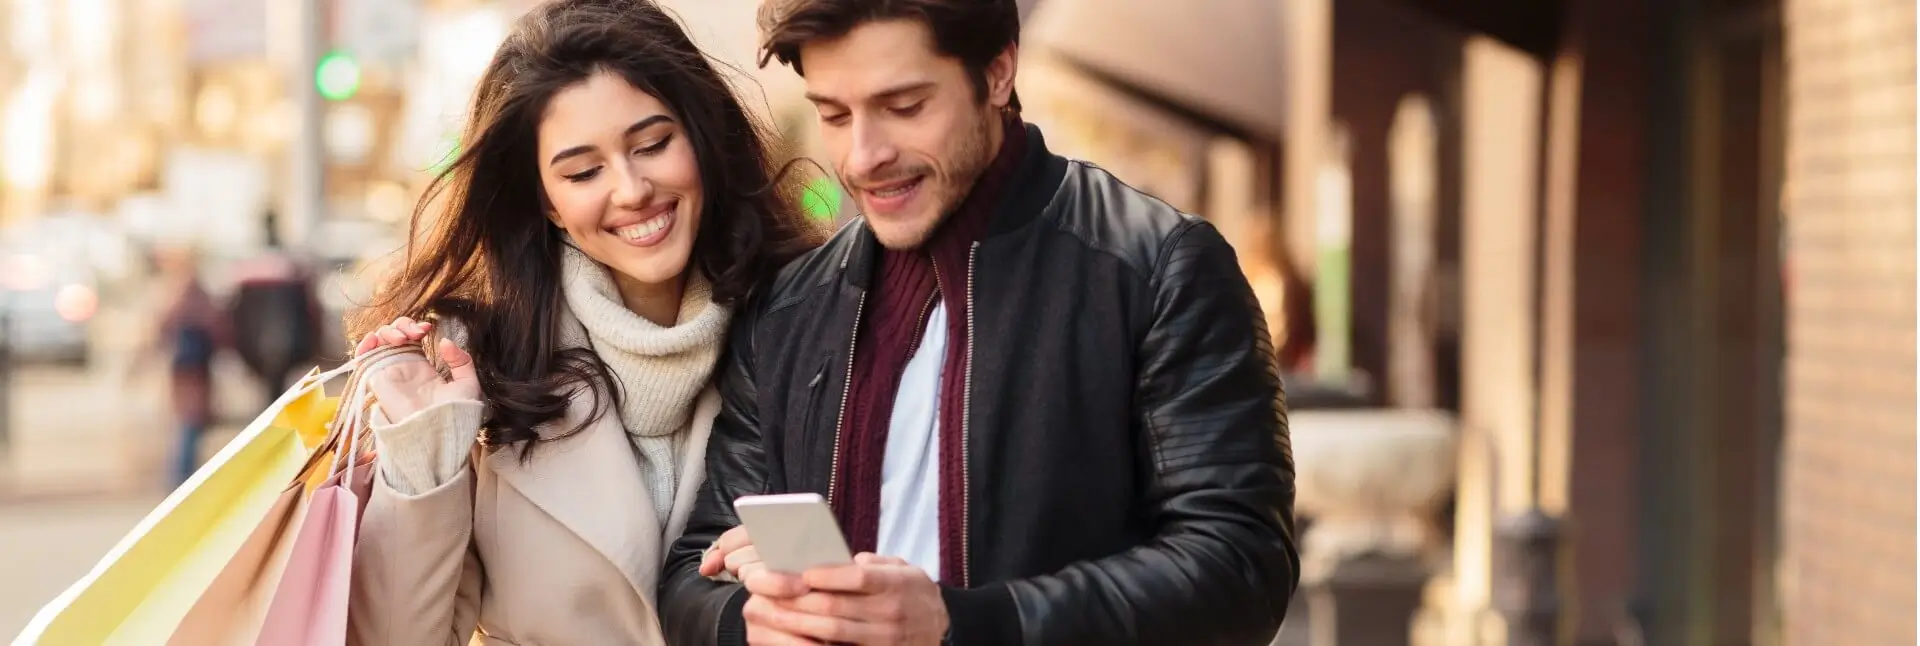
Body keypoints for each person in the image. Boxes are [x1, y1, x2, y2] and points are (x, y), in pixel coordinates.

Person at [659, 1, 1300, 644]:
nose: (863, 156)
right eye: (834, 114)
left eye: (904, 107)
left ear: (997, 73)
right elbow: (694, 570)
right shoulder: (789, 307)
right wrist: (753, 625)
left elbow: (1239, 565)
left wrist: (961, 624)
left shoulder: (1158, 268)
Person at [343, 1, 818, 643]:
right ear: (549, 201)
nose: (630, 190)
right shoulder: (477, 363)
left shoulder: (805, 324)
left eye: (653, 144)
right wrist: (427, 449)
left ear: (702, 139)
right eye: (583, 171)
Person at [150, 246, 228, 486]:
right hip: (193, 368)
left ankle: (181, 477)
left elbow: (162, 327)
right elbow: (216, 324)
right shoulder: (193, 292)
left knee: (188, 423)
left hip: (185, 367)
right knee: (190, 424)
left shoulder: (177, 292)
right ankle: (182, 478)